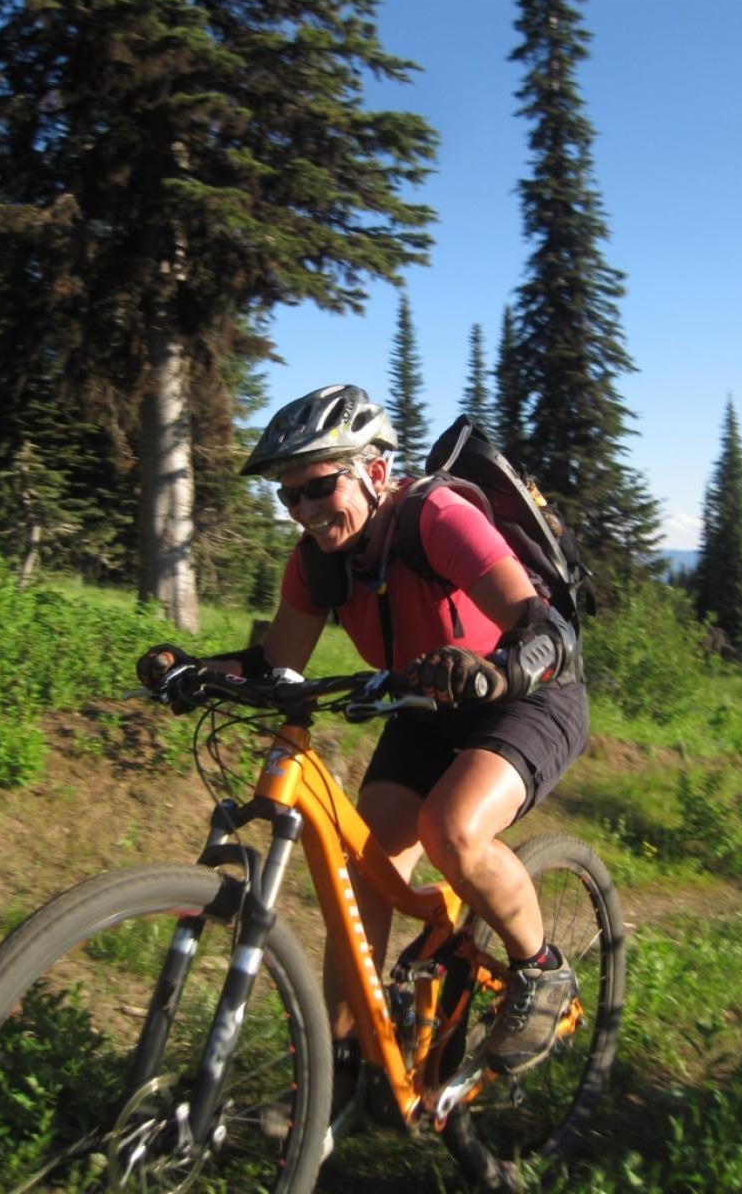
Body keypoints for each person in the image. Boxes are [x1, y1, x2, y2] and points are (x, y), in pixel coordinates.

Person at [138, 383, 589, 1101]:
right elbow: (273, 664)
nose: (308, 512)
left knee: (452, 829)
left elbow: (544, 630)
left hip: (527, 697)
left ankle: (542, 970)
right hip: (427, 705)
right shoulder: (316, 561)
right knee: (360, 874)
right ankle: (340, 1068)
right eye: (292, 498)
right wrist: (195, 670)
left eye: (321, 486)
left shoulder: (436, 517)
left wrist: (496, 672)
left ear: (375, 472)